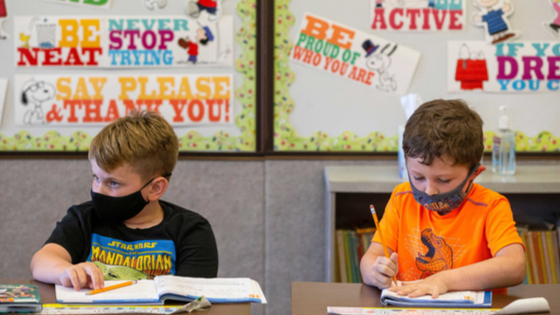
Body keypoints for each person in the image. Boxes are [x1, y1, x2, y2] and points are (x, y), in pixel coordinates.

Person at [30, 111, 219, 291]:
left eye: (113, 183)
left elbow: (193, 299)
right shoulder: (83, 218)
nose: (98, 190)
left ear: (155, 188)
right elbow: (41, 261)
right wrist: (64, 270)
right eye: (96, 178)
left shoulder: (192, 230)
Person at [360, 99, 525, 298]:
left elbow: (515, 266)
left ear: (474, 173)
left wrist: (444, 280)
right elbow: (371, 258)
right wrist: (375, 273)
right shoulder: (401, 198)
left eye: (444, 179)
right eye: (418, 177)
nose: (429, 191)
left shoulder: (490, 206)